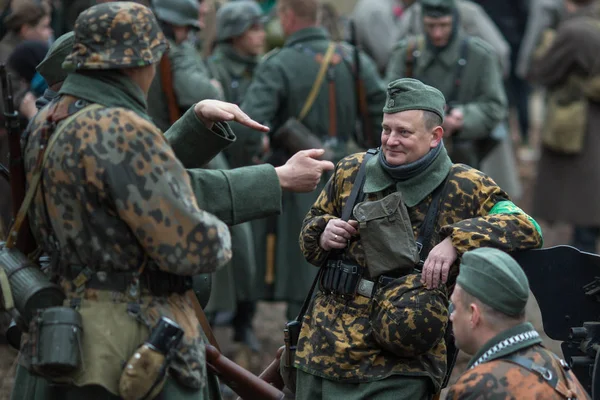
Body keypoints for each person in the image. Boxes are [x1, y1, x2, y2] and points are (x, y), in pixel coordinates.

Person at [8, 2, 301, 399]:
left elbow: (112, 180)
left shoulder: (48, 119)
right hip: (128, 342)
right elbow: (194, 248)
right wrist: (216, 231)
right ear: (139, 61)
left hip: (60, 329)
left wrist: (196, 120)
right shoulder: (123, 128)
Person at [295, 78, 542, 400]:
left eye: (404, 132)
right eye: (386, 129)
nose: (391, 141)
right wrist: (323, 231)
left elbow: (527, 227)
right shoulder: (352, 171)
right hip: (321, 352)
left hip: (399, 367)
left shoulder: (465, 186)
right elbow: (309, 235)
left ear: (435, 137)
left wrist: (457, 240)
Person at [235, 0, 386, 321]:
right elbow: (382, 117)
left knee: (304, 265)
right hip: (354, 175)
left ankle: (299, 341)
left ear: (287, 17)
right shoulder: (354, 59)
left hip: (301, 176)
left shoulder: (277, 63)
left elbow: (250, 127)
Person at [203, 0, 267, 363]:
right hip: (226, 171)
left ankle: (246, 321)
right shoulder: (214, 70)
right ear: (234, 34)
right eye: (253, 28)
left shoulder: (263, 68)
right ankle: (215, 318)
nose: (260, 35)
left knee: (253, 257)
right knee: (230, 251)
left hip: (257, 167)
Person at [446, 247, 590, 399]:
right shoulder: (558, 368)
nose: (452, 316)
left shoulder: (478, 387)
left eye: (454, 306)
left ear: (474, 315)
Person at [386, 0, 507, 171]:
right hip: (411, 158)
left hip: (464, 157)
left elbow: (495, 106)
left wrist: (462, 117)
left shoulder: (480, 56)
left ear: (455, 21)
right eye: (430, 25)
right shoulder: (405, 54)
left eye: (444, 25)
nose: (437, 33)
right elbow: (389, 101)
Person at [529, 0, 600, 254]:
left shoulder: (574, 31)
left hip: (582, 127)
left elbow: (541, 71)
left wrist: (546, 41)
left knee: (585, 208)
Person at [147, 0, 222, 132]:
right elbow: (202, 93)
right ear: (171, 24)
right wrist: (213, 87)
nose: (187, 34)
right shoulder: (170, 51)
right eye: (186, 27)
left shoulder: (147, 45)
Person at [395, 0, 511, 76]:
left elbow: (499, 53)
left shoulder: (414, 12)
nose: (437, 34)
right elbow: (500, 51)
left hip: (462, 90)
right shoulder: (414, 13)